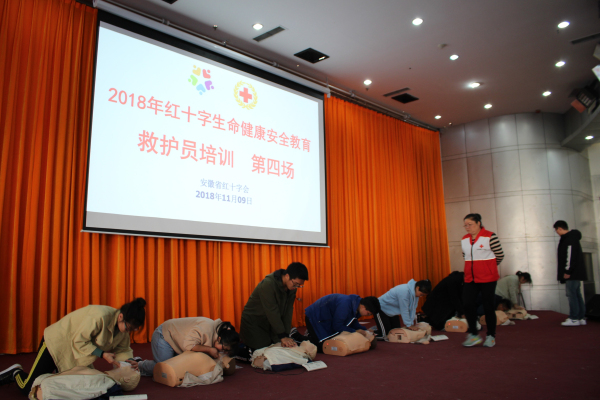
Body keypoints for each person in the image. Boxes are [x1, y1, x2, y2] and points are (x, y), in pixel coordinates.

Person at [0, 298, 146, 395]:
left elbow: (123, 349)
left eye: (132, 330)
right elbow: (79, 341)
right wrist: (102, 354)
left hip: (77, 355)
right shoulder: (99, 316)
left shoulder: (123, 331)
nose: (128, 332)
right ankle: (15, 373)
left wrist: (128, 362)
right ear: (120, 317)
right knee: (29, 387)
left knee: (73, 387)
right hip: (57, 343)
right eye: (128, 328)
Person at [239, 262, 309, 358]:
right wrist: (282, 336)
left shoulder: (292, 287)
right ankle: (240, 351)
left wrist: (286, 335)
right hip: (255, 321)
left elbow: (288, 311)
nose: (296, 287)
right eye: (296, 284)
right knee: (261, 352)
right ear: (287, 276)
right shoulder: (268, 284)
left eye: (299, 285)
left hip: (271, 321)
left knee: (279, 347)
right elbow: (272, 311)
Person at [138, 318, 239, 376]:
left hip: (179, 343)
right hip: (164, 336)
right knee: (165, 370)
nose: (223, 352)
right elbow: (189, 345)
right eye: (224, 349)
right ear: (219, 338)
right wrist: (209, 349)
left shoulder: (221, 333)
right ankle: (139, 365)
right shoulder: (206, 328)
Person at [461, 213, 504, 348]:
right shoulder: (464, 239)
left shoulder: (490, 236)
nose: (467, 227)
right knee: (467, 304)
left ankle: (491, 336)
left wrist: (488, 268)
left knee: (488, 306)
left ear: (478, 223)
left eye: (470, 224)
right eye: (465, 225)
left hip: (488, 278)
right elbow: (465, 256)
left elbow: (499, 255)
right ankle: (473, 334)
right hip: (470, 278)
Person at [291, 294, 380, 352]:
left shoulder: (356, 305)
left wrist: (365, 330)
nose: (368, 315)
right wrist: (355, 331)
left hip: (325, 319)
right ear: (363, 307)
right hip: (315, 318)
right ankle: (294, 335)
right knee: (322, 347)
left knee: (328, 342)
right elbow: (337, 326)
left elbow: (353, 322)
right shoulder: (345, 304)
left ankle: (311, 334)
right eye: (369, 313)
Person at [30, 363, 140, 400]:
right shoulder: (101, 376)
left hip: (48, 391)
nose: (129, 365)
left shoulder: (107, 384)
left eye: (132, 369)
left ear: (126, 379)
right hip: (42, 384)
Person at [554, 220, 587, 326]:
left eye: (556, 230)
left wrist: (568, 271)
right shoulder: (573, 237)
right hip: (576, 272)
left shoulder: (569, 238)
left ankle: (574, 318)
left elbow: (570, 255)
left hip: (572, 273)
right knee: (577, 294)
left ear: (560, 228)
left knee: (571, 295)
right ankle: (581, 317)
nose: (556, 232)